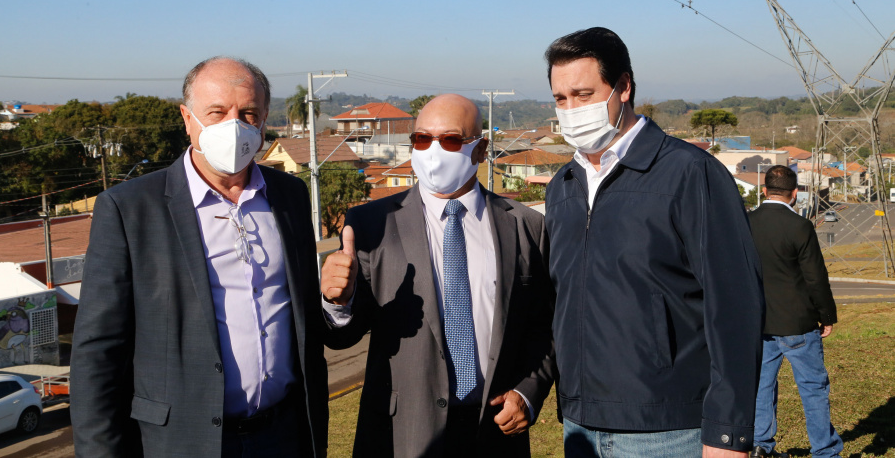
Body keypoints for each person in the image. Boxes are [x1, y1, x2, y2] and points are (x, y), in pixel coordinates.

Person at [71, 57, 329, 457]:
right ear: (188, 119)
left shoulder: (290, 196)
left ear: (263, 122)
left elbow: (304, 316)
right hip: (182, 441)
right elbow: (97, 352)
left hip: (284, 434)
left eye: (248, 113)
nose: (235, 125)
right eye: (217, 112)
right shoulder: (130, 208)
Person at [543, 27, 764, 457]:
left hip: (666, 430)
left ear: (623, 87)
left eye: (584, 94)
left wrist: (727, 432)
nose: (571, 109)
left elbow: (735, 305)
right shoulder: (562, 186)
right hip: (579, 426)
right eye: (560, 99)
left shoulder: (688, 173)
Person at [320, 94, 555, 457]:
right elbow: (344, 336)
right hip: (402, 433)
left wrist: (528, 391)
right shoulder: (370, 225)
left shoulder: (526, 226)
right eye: (421, 138)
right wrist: (338, 302)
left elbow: (545, 326)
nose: (433, 150)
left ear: (480, 148)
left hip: (494, 432)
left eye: (450, 139)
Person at [747, 165, 842, 458]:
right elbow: (815, 276)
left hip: (759, 321)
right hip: (798, 322)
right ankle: (824, 451)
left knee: (761, 386)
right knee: (812, 388)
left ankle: (761, 445)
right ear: (794, 194)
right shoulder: (800, 226)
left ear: (764, 190)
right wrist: (826, 316)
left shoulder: (746, 222)